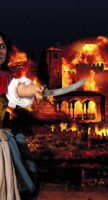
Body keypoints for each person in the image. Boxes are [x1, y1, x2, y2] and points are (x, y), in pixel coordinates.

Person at [0, 32, 43, 200]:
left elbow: (19, 89)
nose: (0, 51)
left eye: (2, 46)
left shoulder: (6, 78)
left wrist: (35, 89)